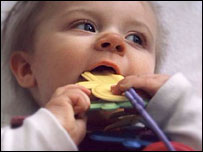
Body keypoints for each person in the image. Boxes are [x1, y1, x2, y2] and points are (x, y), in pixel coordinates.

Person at [1, 1, 202, 151]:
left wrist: (178, 107)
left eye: (136, 39)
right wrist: (44, 135)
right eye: (86, 26)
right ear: (27, 68)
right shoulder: (21, 138)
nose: (115, 41)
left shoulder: (171, 132)